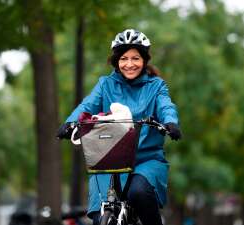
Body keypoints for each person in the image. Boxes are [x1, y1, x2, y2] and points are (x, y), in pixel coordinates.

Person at [57, 28, 181, 225]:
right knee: (100, 216)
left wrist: (170, 122)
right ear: (116, 61)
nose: (129, 64)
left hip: (146, 160)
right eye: (124, 58)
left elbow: (166, 106)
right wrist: (70, 122)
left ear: (144, 60)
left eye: (135, 58)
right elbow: (87, 106)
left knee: (139, 192)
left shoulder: (156, 86)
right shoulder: (105, 84)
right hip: (108, 160)